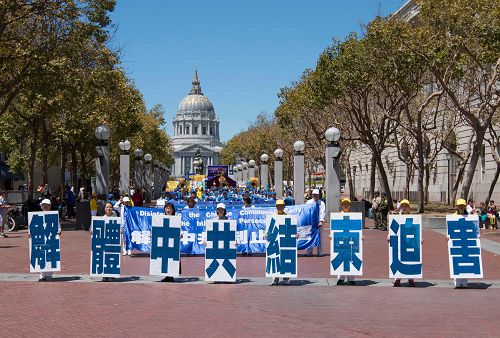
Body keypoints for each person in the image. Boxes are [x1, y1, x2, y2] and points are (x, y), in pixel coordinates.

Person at [390, 199, 422, 287]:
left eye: (406, 206)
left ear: (409, 208)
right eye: (403, 206)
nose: (404, 208)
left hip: (410, 243)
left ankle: (411, 279)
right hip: (400, 242)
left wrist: (420, 239)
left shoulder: (413, 219)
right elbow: (393, 229)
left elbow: (416, 231)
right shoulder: (396, 218)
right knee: (398, 258)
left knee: (410, 260)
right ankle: (397, 279)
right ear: (400, 207)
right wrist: (389, 236)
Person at [332, 198, 364, 285]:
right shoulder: (337, 216)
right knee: (340, 257)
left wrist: (361, 236)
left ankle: (351, 278)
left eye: (347, 204)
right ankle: (340, 278)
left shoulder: (354, 216)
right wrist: (332, 237)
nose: (346, 206)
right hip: (341, 241)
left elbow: (358, 229)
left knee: (352, 257)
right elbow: (334, 230)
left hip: (351, 240)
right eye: (344, 204)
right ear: (341, 205)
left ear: (350, 205)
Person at [268, 199, 298, 286]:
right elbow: (269, 229)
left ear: (284, 206)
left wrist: (295, 234)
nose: (279, 207)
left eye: (281, 205)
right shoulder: (272, 216)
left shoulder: (288, 216)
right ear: (276, 207)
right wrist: (267, 234)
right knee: (276, 258)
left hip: (285, 241)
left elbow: (292, 229)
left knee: (286, 257)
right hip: (275, 241)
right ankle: (275, 279)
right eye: (278, 206)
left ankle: (286, 278)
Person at [30, 199, 61, 281]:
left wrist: (59, 231)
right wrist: (30, 233)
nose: (45, 206)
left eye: (47, 205)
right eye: (43, 205)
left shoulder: (54, 215)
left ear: (50, 206)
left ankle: (49, 274)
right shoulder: (37, 215)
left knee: (50, 255)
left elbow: (57, 226)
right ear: (41, 206)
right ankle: (42, 274)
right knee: (41, 255)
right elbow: (33, 225)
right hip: (41, 238)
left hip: (50, 238)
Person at [447, 198, 475, 288]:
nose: (461, 207)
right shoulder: (453, 216)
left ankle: (465, 280)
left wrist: (476, 236)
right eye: (460, 206)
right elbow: (450, 229)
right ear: (457, 206)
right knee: (457, 258)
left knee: (466, 258)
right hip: (456, 240)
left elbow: (474, 228)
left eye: (463, 205)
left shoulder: (470, 217)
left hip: (466, 240)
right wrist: (448, 235)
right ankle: (457, 280)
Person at [92, 202, 119, 282]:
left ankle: (111, 274)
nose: (108, 209)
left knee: (112, 257)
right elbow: (94, 229)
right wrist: (92, 231)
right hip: (104, 242)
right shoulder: (101, 218)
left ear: (112, 208)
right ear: (104, 209)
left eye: (110, 207)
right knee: (104, 257)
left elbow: (119, 229)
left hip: (113, 241)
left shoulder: (116, 218)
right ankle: (104, 275)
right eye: (107, 207)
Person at [160, 203, 182, 282]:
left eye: (169, 208)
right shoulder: (161, 219)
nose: (168, 210)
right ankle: (167, 275)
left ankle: (171, 275)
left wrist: (180, 235)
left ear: (173, 210)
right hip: (164, 242)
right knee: (164, 257)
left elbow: (180, 231)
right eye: (166, 208)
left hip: (173, 242)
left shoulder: (176, 219)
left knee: (172, 258)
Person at [305, 188, 325, 257]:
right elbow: (306, 212)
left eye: (317, 195)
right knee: (310, 237)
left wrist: (321, 221)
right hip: (311, 223)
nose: (315, 196)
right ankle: (309, 252)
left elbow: (322, 212)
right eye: (314, 195)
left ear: (319, 195)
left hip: (319, 223)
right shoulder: (308, 202)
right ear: (312, 195)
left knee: (320, 237)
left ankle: (320, 252)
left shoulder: (321, 203)